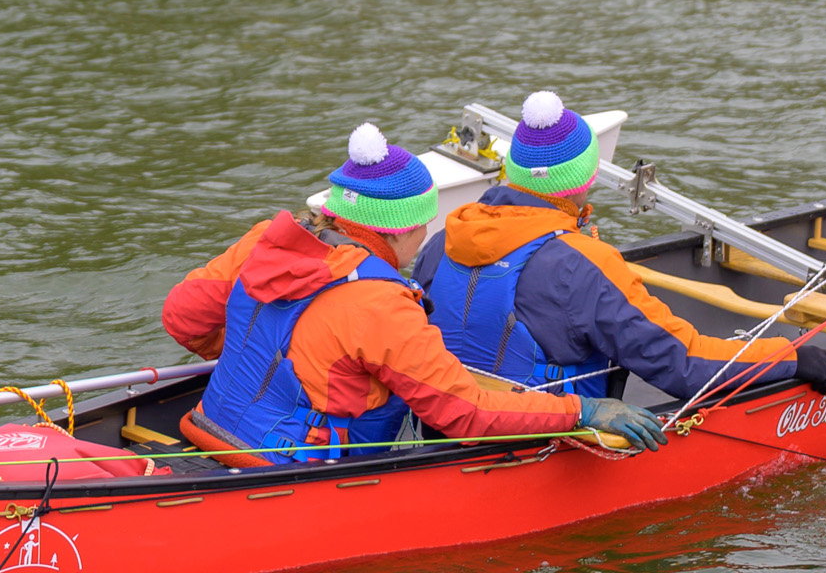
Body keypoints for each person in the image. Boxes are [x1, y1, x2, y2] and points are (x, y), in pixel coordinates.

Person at [161, 125, 666, 466]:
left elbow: (183, 318)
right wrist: (582, 412)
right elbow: (465, 414)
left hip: (206, 429)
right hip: (283, 472)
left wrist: (278, 350)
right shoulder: (380, 303)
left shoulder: (263, 241)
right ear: (398, 231)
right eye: (423, 225)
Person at [417, 90, 826, 409]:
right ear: (585, 178)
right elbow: (683, 365)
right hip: (547, 443)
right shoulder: (584, 265)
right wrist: (787, 357)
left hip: (452, 425)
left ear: (512, 172)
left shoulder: (444, 239)